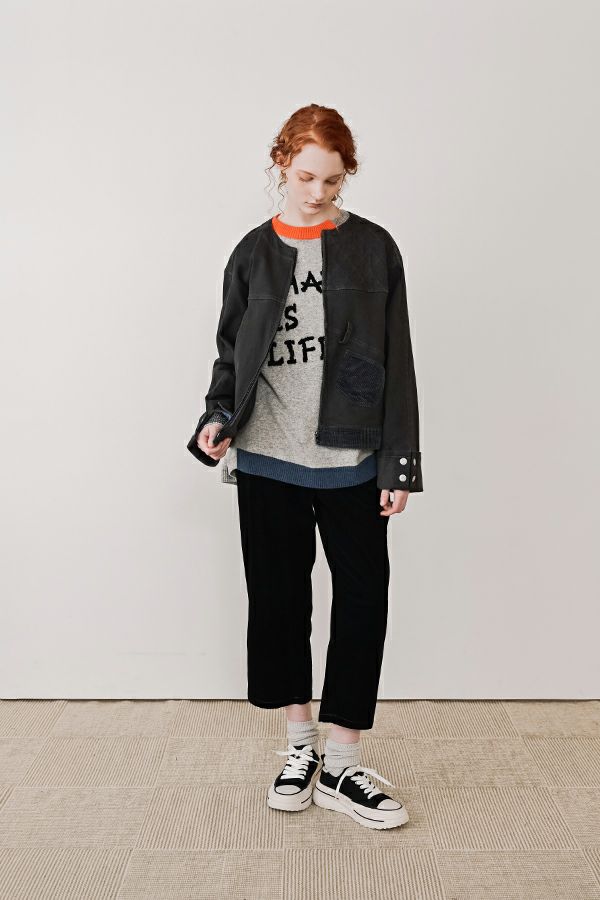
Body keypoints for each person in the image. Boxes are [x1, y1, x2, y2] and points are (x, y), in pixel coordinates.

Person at [190, 104, 421, 830]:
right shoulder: (251, 254)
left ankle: (343, 762)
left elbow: (398, 359)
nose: (317, 192)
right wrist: (216, 416)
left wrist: (398, 463)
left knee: (363, 602)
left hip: (352, 456)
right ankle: (300, 748)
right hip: (267, 457)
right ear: (281, 164)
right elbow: (231, 353)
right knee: (280, 603)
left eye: (332, 179)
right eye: (304, 177)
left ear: (347, 175)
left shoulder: (374, 249)